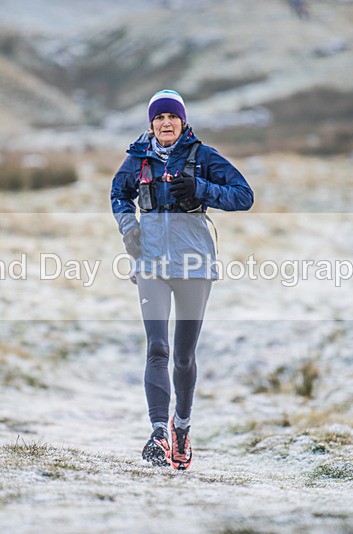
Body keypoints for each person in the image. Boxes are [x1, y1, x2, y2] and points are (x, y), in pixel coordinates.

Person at [110, 89, 253, 470]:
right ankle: (158, 431)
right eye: (159, 118)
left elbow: (244, 196)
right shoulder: (137, 159)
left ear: (183, 121)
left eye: (172, 116)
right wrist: (129, 230)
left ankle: (182, 429)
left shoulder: (203, 157)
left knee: (184, 356)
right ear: (151, 124)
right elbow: (118, 194)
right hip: (151, 265)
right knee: (157, 348)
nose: (166, 123)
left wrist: (201, 189)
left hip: (194, 266)